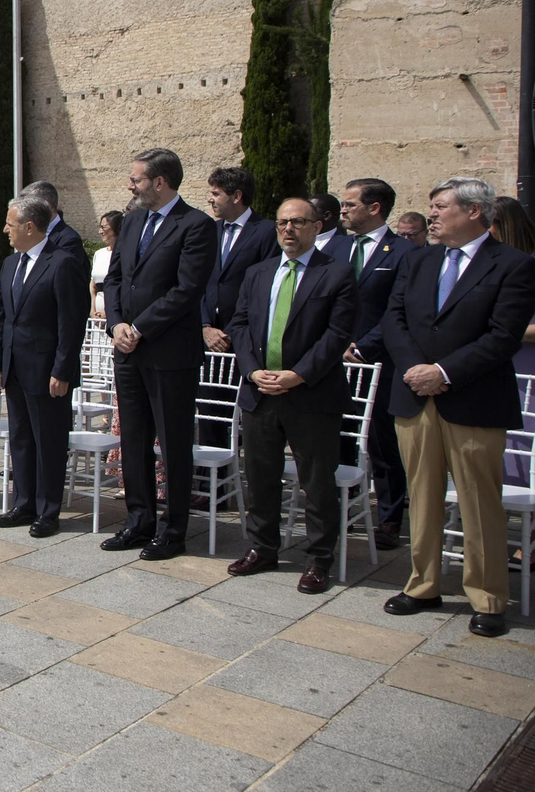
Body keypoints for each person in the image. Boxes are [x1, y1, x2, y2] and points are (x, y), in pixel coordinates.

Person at [381, 177, 535, 638]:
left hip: (473, 400)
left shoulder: (513, 265)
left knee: (478, 502)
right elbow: (395, 317)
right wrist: (414, 369)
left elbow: (502, 337)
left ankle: (487, 598)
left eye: (440, 206)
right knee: (422, 497)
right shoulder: (419, 258)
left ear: (474, 212)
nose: (431, 213)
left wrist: (443, 373)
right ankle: (423, 584)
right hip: (414, 394)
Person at [226, 198, 360, 594]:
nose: (288, 230)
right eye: (283, 223)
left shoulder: (336, 274)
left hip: (311, 395)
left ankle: (319, 559)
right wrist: (252, 370)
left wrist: (297, 375)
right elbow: (240, 323)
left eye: (298, 222)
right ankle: (263, 547)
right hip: (261, 392)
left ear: (316, 227)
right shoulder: (258, 272)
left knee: (316, 482)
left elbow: (337, 335)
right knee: (262, 477)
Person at [101, 147, 218, 559]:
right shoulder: (132, 221)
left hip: (169, 353)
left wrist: (141, 327)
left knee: (172, 443)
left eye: (136, 179)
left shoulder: (196, 225)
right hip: (128, 351)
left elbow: (186, 290)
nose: (130, 185)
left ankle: (173, 530)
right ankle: (139, 520)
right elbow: (114, 280)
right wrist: (117, 325)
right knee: (132, 439)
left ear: (160, 182)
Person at [0, 195, 89, 536]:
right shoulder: (10, 263)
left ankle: (48, 510)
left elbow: (71, 323)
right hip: (14, 369)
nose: (5, 230)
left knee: (48, 442)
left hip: (47, 373)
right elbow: (1, 318)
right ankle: (23, 503)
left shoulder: (61, 263)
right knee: (21, 439)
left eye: (10, 224)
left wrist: (62, 370)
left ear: (30, 227)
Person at [328, 177, 417, 549]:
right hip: (333, 360)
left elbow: (401, 310)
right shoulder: (336, 249)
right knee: (337, 436)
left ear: (375, 208)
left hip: (378, 362)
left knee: (382, 443)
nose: (343, 210)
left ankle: (390, 517)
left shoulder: (403, 253)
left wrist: (364, 347)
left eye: (350, 204)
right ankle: (343, 508)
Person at [201, 167, 277, 354]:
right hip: (205, 338)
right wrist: (204, 325)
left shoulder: (266, 231)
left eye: (216, 194)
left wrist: (230, 333)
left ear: (236, 196)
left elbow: (264, 288)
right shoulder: (209, 230)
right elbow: (197, 280)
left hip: (243, 339)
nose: (210, 199)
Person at [20, 181, 87, 281]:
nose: (24, 213)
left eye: (30, 207)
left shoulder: (69, 240)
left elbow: (66, 281)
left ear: (46, 207)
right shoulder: (28, 235)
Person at [90, 211, 122, 315]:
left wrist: (109, 312)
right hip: (97, 315)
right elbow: (93, 285)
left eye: (104, 227)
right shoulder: (99, 254)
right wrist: (93, 309)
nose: (100, 231)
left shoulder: (124, 254)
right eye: (100, 227)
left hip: (116, 313)